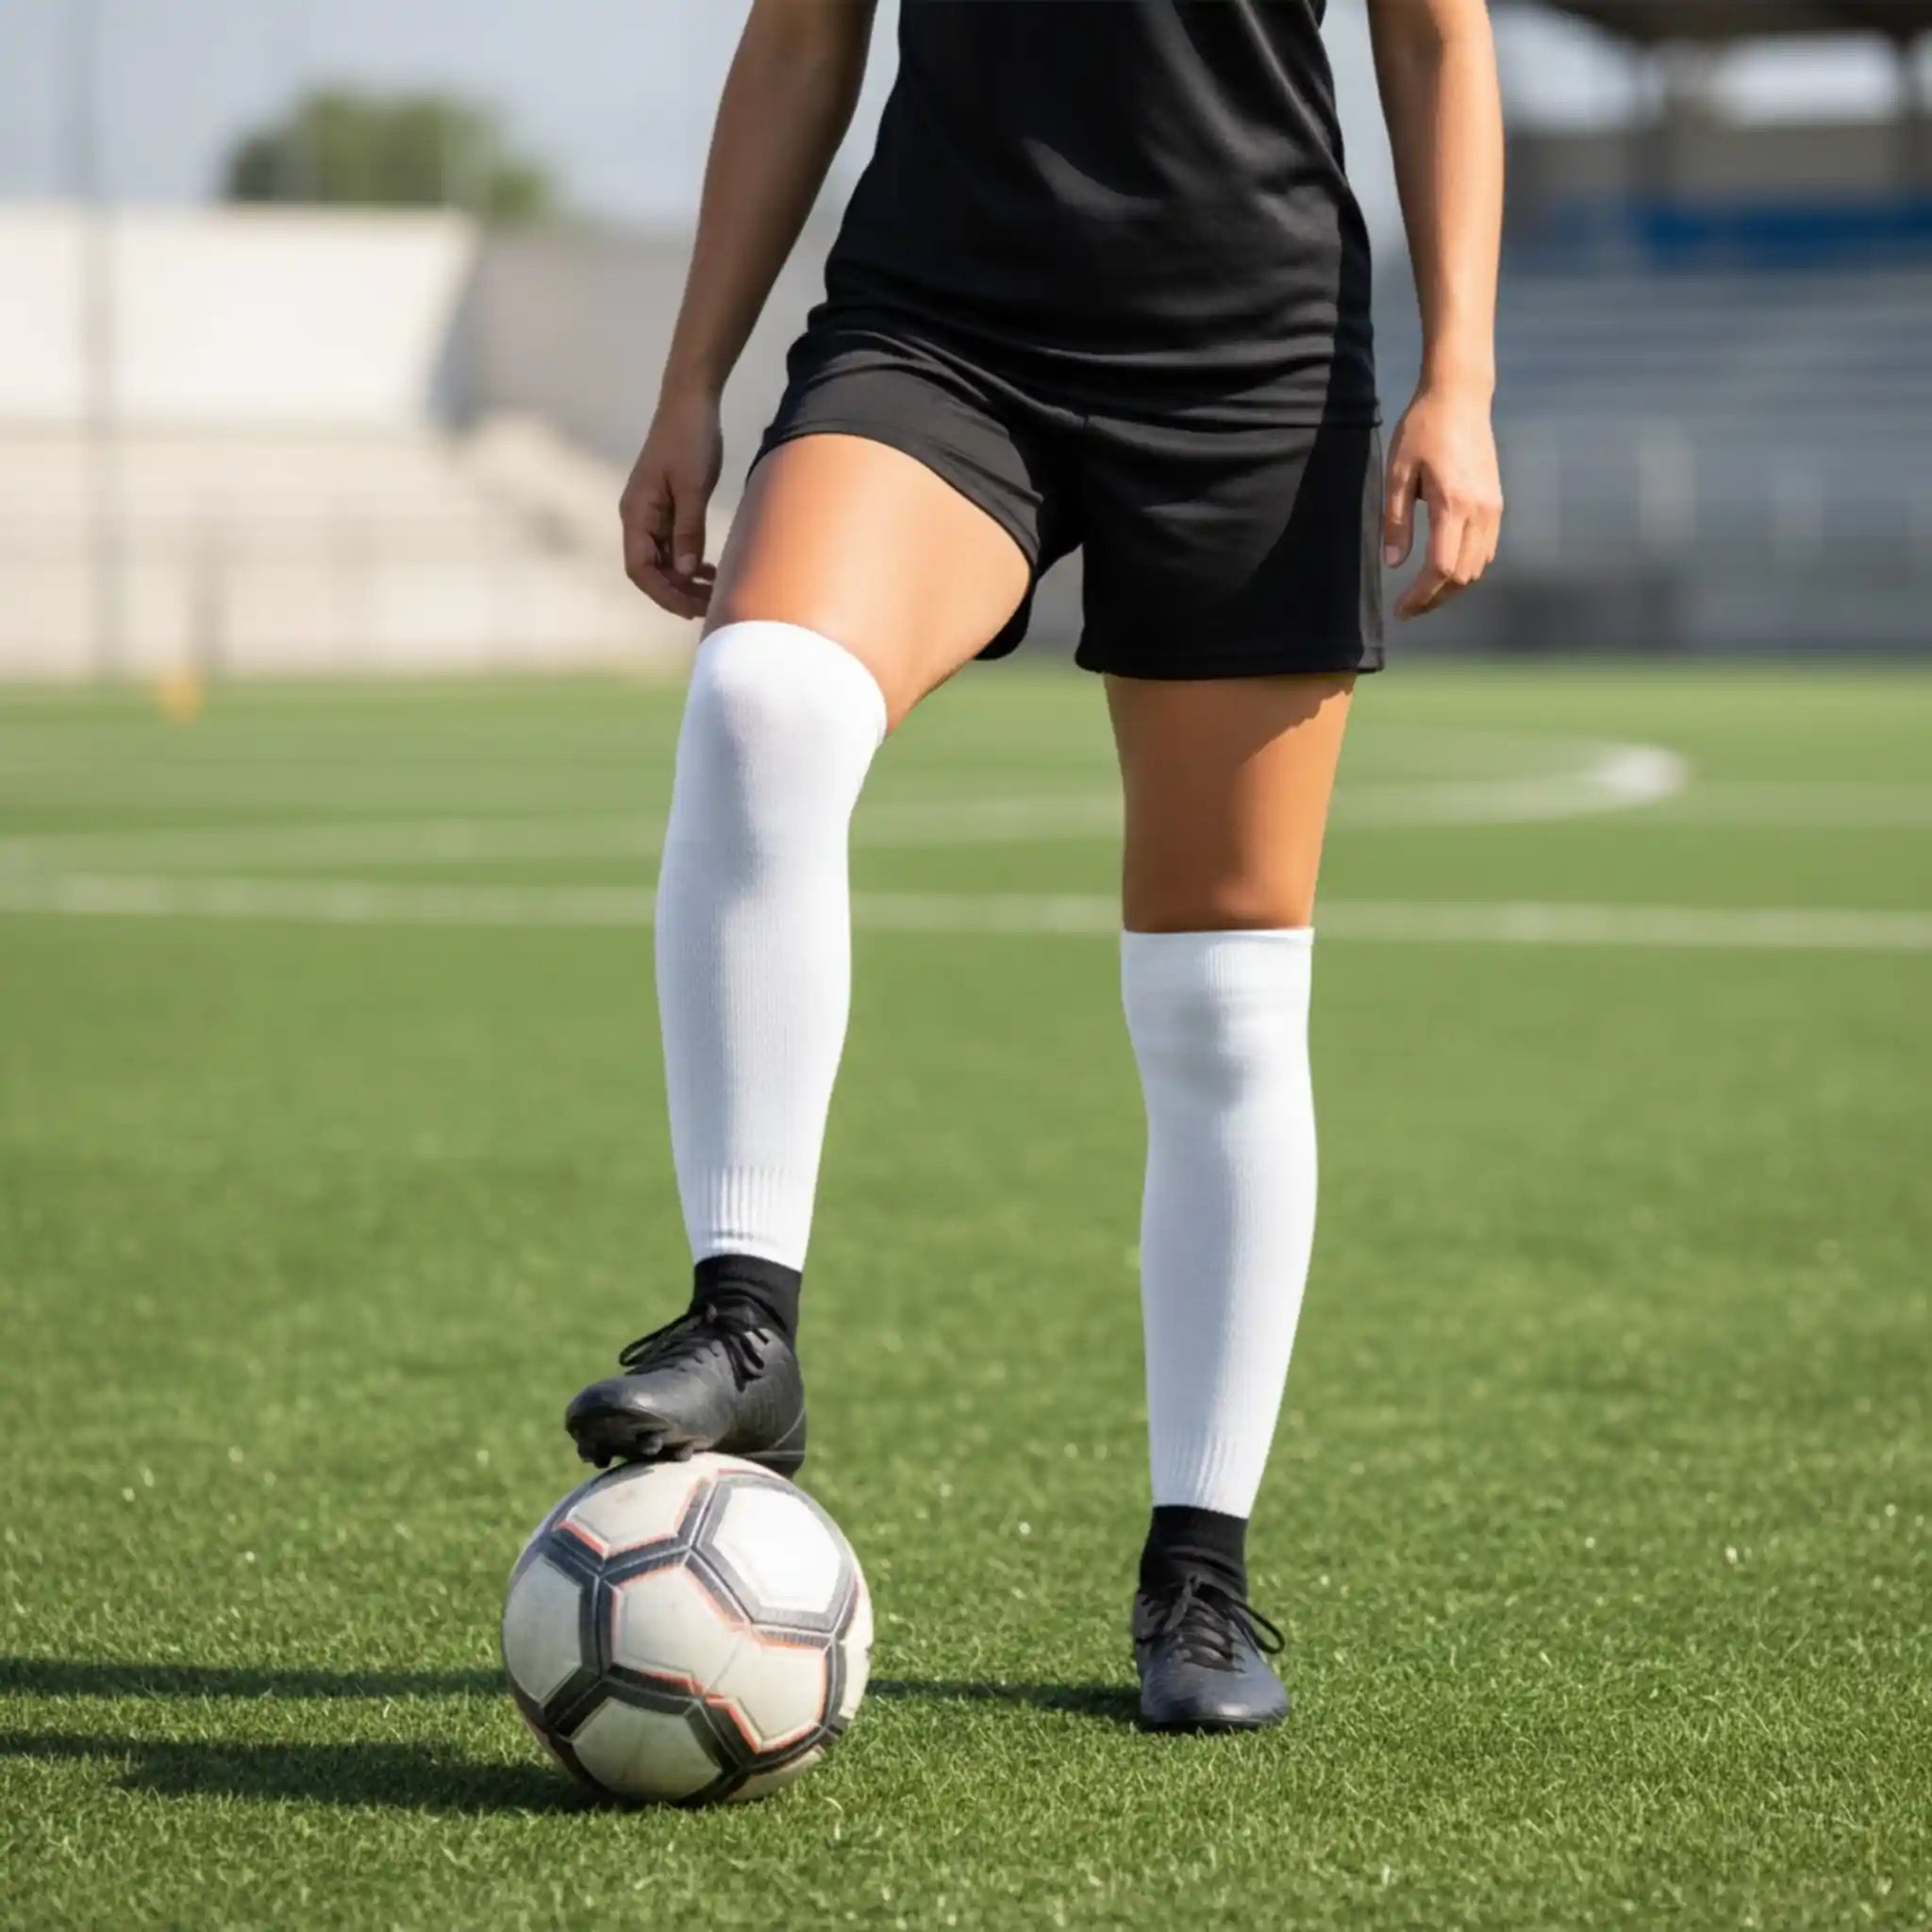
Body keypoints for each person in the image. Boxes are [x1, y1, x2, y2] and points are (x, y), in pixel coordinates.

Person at [569, 0, 1504, 1732]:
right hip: (942, 321)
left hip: (1252, 351)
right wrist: (691, 379)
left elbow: (1436, 36)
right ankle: (746, 1317)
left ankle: (1201, 1576)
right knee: (766, 699)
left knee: (1223, 996)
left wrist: (1463, 369)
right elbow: (797, 40)